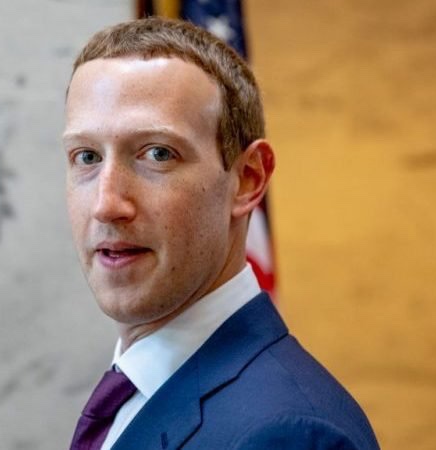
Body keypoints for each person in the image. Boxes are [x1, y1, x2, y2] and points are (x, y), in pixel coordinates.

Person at [63, 17, 379, 450]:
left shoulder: (288, 435)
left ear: (248, 179)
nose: (106, 204)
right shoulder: (132, 393)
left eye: (158, 153)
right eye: (86, 156)